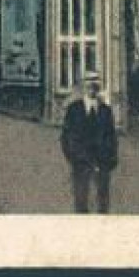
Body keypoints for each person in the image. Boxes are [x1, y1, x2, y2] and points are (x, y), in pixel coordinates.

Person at [60, 71, 120, 213]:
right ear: (83, 85)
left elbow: (111, 136)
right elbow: (66, 137)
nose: (92, 86)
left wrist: (110, 159)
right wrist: (75, 158)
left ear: (99, 87)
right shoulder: (74, 109)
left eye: (96, 82)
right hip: (81, 163)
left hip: (102, 163)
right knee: (81, 201)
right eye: (88, 82)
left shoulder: (106, 110)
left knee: (102, 202)